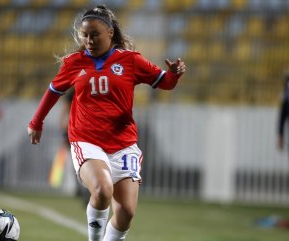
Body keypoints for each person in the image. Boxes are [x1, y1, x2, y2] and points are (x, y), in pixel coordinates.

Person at [27, 5, 186, 241]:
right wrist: (36, 122)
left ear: (110, 32)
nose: (89, 40)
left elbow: (165, 82)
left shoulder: (131, 61)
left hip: (123, 144)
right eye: (85, 35)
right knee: (102, 190)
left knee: (126, 212)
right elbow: (53, 91)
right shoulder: (74, 63)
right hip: (87, 140)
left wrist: (174, 74)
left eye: (95, 34)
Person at [277, 72, 289, 151]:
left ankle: (281, 139)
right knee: (281, 121)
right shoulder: (287, 81)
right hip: (286, 103)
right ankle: (280, 139)